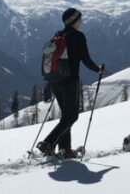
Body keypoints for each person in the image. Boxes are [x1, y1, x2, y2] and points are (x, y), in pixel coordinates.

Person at [37, 8, 104, 158]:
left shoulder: (58, 35)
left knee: (66, 115)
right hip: (69, 81)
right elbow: (86, 59)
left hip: (55, 81)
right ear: (74, 20)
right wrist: (98, 69)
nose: (82, 21)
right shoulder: (78, 36)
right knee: (72, 116)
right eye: (80, 19)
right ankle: (48, 143)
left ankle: (65, 149)